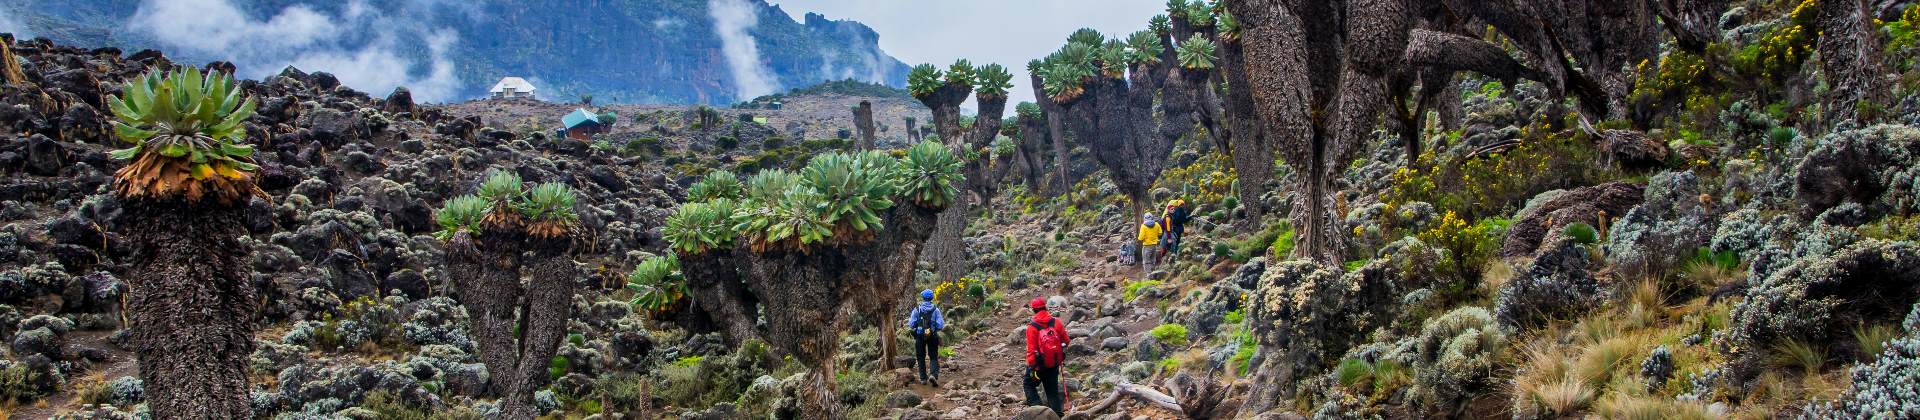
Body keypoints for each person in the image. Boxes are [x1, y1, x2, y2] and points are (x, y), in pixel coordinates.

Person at [1023, 297, 1070, 415]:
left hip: (1038, 367)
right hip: (1053, 364)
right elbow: (1066, 341)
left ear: (1034, 310)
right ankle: (1057, 416)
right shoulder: (1056, 322)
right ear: (1045, 307)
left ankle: (1038, 412)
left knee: (1028, 384)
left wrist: (1032, 368)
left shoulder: (1032, 327)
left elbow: (1031, 350)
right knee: (1052, 392)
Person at [906, 289, 946, 386]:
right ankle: (933, 375)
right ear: (932, 298)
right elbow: (940, 325)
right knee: (933, 356)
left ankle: (923, 378)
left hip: (919, 336)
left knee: (920, 357)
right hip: (932, 336)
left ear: (922, 298)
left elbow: (911, 324)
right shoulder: (936, 310)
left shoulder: (917, 309)